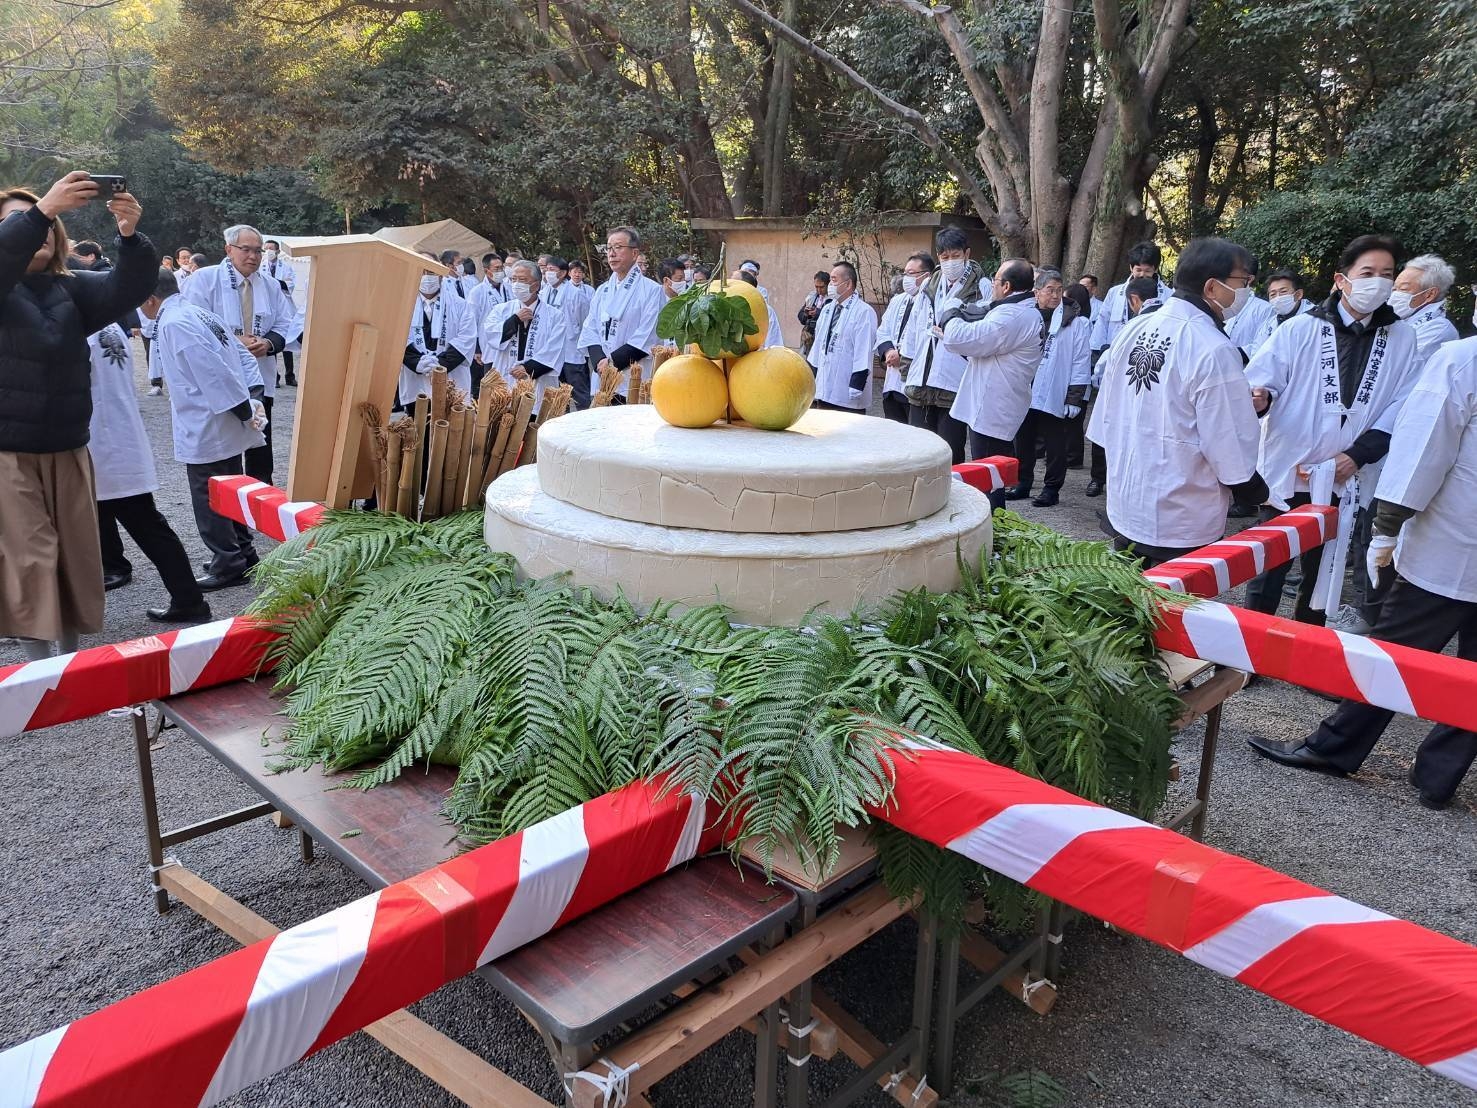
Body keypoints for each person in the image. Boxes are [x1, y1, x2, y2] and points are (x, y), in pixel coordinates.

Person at [1248, 337, 1477, 809]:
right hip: (1461, 536)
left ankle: (1334, 745)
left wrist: (1388, 523)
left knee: (1397, 650)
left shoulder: (1462, 360)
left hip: (1455, 541)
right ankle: (1439, 774)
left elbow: (1423, 451)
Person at [0, 173, 156, 659]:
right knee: (31, 556)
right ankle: (40, 668)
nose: (42, 230)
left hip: (68, 445)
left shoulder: (72, 289)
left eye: (50, 223)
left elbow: (127, 287)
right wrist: (42, 207)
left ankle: (66, 664)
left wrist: (130, 235)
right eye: (21, 223)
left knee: (73, 555)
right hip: (9, 452)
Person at [1243, 234, 1420, 627]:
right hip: (1292, 465)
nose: (1378, 282)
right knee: (1271, 562)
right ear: (1342, 279)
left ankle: (1306, 653)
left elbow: (1403, 406)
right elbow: (1264, 380)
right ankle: (1249, 653)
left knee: (1325, 566)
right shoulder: (1299, 330)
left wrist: (1356, 456)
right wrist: (1260, 398)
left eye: (1387, 274)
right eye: (1368, 273)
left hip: (1348, 472)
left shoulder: (1402, 337)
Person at [1086, 237, 1266, 569]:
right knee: (1176, 610)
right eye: (1244, 282)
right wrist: (1256, 491)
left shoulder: (1135, 327)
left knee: (1127, 604)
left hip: (1128, 494)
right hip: (1182, 511)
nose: (1247, 290)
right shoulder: (1212, 347)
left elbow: (1106, 415)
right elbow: (1228, 444)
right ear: (1212, 287)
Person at [140, 267, 267, 592]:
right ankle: (243, 552)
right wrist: (249, 401)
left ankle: (229, 561)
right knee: (230, 490)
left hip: (208, 420)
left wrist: (243, 410)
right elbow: (239, 357)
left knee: (210, 494)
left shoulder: (175, 322)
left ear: (150, 298)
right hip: (223, 416)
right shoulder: (197, 313)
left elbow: (213, 374)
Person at [87, 323, 211, 622]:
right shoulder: (109, 325)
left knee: (147, 526)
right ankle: (187, 598)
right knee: (147, 525)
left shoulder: (81, 328)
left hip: (99, 440)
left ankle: (189, 599)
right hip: (117, 436)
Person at [181, 224, 295, 486]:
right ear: (229, 249)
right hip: (220, 374)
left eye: (258, 251)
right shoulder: (205, 279)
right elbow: (191, 323)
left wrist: (268, 343)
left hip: (259, 372)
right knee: (225, 438)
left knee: (260, 437)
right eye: (246, 249)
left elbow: (285, 323)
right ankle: (227, 494)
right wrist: (232, 342)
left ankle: (260, 491)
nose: (253, 256)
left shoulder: (270, 285)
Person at [942, 257, 1042, 496]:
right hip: (999, 401)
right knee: (991, 474)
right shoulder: (1022, 312)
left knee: (988, 478)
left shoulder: (1013, 316)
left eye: (996, 280)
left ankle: (991, 528)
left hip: (993, 407)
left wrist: (951, 311)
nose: (993, 286)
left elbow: (961, 338)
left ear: (1006, 286)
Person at [1008, 274, 1092, 507]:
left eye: (1058, 290)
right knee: (1022, 439)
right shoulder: (1025, 316)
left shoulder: (1075, 322)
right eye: (1049, 290)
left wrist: (1074, 396)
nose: (1055, 295)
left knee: (1055, 443)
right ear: (1036, 292)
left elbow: (1080, 361)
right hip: (1025, 388)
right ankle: (1023, 482)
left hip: (1054, 391)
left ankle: (1051, 488)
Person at [903, 227, 986, 462]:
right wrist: (907, 370)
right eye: (945, 257)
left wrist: (951, 334)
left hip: (955, 379)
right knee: (919, 448)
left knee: (951, 449)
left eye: (955, 255)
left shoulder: (982, 287)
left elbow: (982, 333)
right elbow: (914, 330)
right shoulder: (929, 286)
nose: (950, 262)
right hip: (922, 378)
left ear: (967, 253)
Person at [578, 226, 664, 403]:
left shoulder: (652, 291)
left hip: (632, 378)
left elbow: (648, 336)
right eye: (609, 248)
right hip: (602, 377)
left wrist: (612, 363)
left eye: (618, 247)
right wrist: (599, 361)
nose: (611, 253)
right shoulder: (602, 290)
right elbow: (590, 328)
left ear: (634, 253)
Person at [485, 258, 570, 414]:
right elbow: (491, 335)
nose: (517, 284)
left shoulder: (554, 315)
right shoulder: (501, 310)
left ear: (536, 285)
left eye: (523, 280)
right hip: (507, 380)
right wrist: (515, 320)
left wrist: (528, 368)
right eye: (513, 279)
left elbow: (554, 350)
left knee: (534, 427)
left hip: (538, 383)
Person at [402, 251, 476, 409]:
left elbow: (466, 339)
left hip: (451, 380)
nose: (426, 276)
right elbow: (396, 338)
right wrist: (417, 362)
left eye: (430, 271)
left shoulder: (460, 305)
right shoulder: (401, 304)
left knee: (452, 429)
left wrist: (440, 365)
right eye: (421, 271)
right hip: (417, 381)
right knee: (420, 429)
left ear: (441, 273)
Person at [806, 261, 878, 412]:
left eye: (833, 280)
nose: (830, 285)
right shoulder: (827, 309)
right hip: (824, 389)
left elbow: (863, 351)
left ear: (848, 284)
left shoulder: (864, 312)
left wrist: (856, 385)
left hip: (847, 393)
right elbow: (819, 345)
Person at [876, 257, 933, 424]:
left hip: (914, 382)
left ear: (926, 276)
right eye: (905, 273)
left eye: (911, 273)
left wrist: (903, 355)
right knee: (893, 432)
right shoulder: (898, 300)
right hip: (892, 381)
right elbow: (883, 330)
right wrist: (888, 351)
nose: (906, 278)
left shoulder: (930, 302)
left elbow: (926, 338)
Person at [1090, 241, 1172, 356]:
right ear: (1131, 268)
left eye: (1147, 270)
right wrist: (1097, 350)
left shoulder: (1168, 296)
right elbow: (1103, 321)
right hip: (1114, 352)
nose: (1142, 274)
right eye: (1138, 270)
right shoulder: (1115, 292)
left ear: (1156, 269)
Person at [541, 257, 593, 409]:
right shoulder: (544, 292)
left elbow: (585, 321)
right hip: (552, 352)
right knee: (559, 396)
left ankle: (585, 426)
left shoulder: (576, 295)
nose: (547, 273)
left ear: (563, 273)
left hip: (572, 351)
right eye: (546, 269)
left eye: (552, 270)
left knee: (579, 394)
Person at [1389, 254, 1459, 367]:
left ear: (1430, 294)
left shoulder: (1438, 330)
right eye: (1394, 289)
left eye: (1403, 289)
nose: (1394, 294)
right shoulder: (1401, 319)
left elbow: (1395, 366)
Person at [1224, 257, 1278, 361]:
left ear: (1249, 279)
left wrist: (1228, 354)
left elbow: (1263, 346)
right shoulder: (1222, 303)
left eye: (1231, 275)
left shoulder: (1265, 309)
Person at [262, 239, 298, 385]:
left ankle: (290, 375)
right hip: (267, 307)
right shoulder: (260, 266)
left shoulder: (286, 267)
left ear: (277, 251)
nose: (268, 251)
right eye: (266, 249)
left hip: (284, 306)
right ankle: (274, 377)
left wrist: (273, 282)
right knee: (271, 340)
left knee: (286, 341)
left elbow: (290, 284)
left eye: (271, 249)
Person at [733, 270, 784, 348]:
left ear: (746, 287)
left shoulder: (766, 311)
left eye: (734, 283)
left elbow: (774, 345)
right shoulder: (721, 308)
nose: (728, 285)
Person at [798, 271, 829, 354]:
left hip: (823, 337)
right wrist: (806, 314)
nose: (819, 290)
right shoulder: (812, 297)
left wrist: (818, 313)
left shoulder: (832, 299)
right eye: (816, 287)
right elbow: (800, 316)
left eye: (822, 287)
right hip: (809, 337)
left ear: (828, 285)